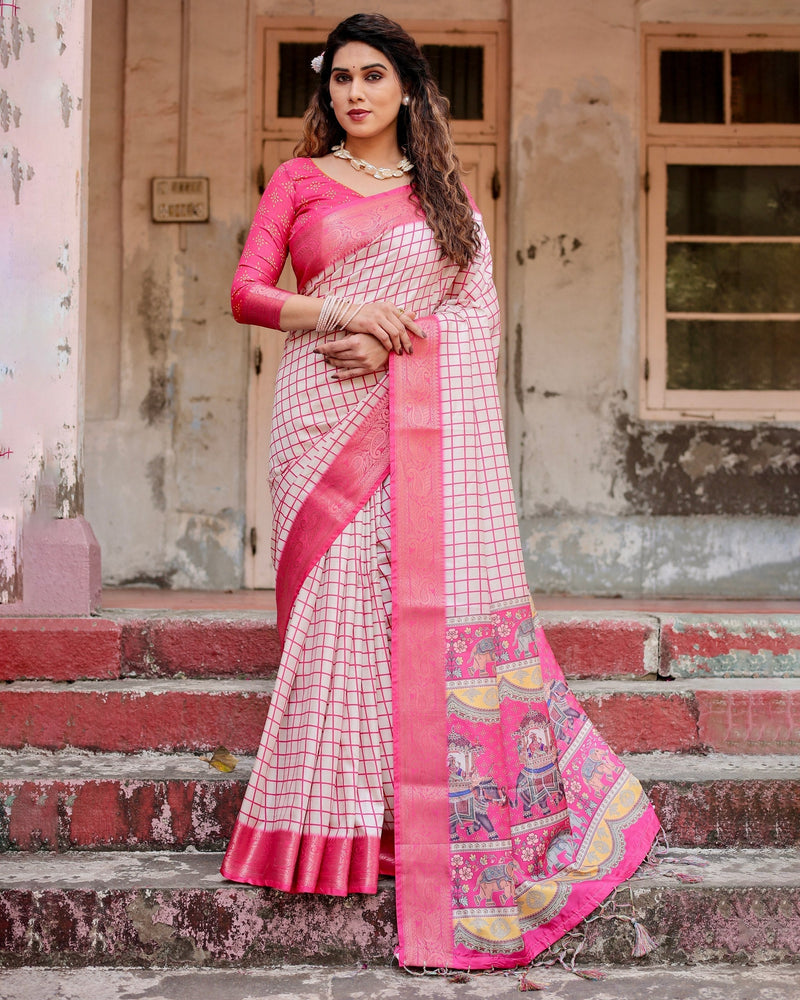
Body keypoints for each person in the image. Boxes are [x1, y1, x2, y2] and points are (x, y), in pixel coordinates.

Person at [221, 12, 659, 970]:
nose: (355, 94)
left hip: (412, 414)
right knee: (337, 605)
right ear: (324, 90)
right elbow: (248, 292)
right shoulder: (298, 180)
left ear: (409, 90)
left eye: (374, 76)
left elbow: (470, 318)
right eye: (340, 78)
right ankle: (328, 830)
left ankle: (402, 824)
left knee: (403, 610)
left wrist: (390, 337)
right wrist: (341, 310)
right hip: (319, 411)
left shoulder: (443, 193)